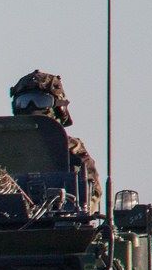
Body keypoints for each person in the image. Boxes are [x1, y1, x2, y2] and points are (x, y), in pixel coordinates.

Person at [9, 69, 103, 212]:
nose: (31, 106)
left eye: (41, 101)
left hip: (58, 219)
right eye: (24, 101)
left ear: (59, 108)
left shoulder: (70, 147)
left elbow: (92, 190)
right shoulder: (2, 144)